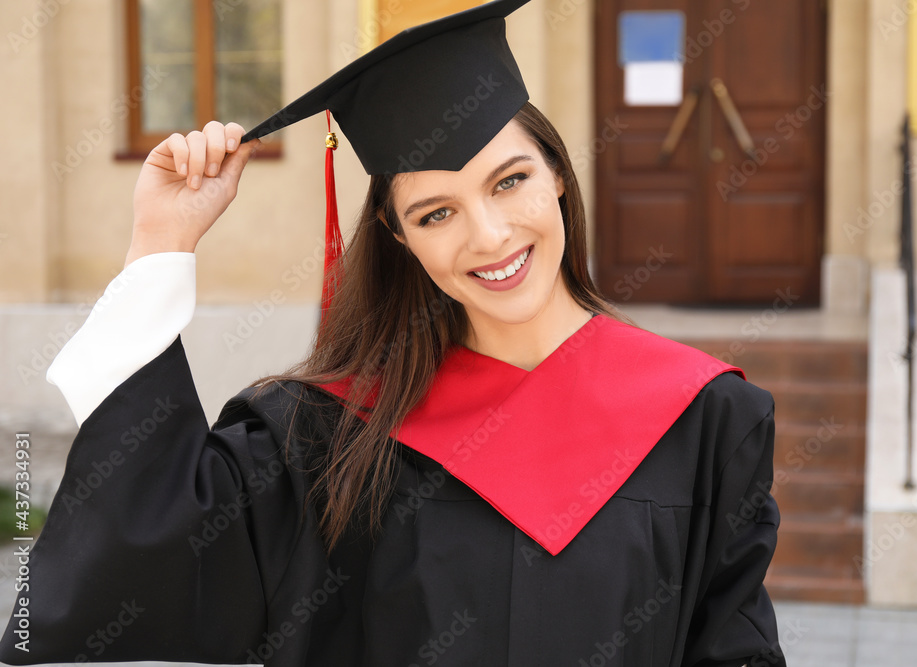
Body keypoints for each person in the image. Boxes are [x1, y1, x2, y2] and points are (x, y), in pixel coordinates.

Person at [0, 0, 786, 665]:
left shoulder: (703, 420)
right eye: (435, 212)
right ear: (401, 238)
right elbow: (147, 548)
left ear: (555, 174)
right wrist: (160, 244)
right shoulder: (327, 435)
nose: (488, 235)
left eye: (509, 180)